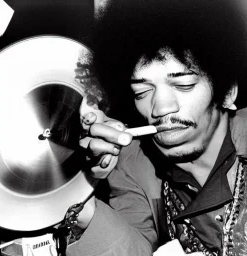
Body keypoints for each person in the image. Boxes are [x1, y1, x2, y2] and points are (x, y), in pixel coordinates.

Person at [69, 0, 247, 255]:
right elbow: (133, 247)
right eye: (142, 91)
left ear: (228, 92)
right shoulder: (132, 166)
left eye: (183, 84)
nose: (160, 108)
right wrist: (77, 190)